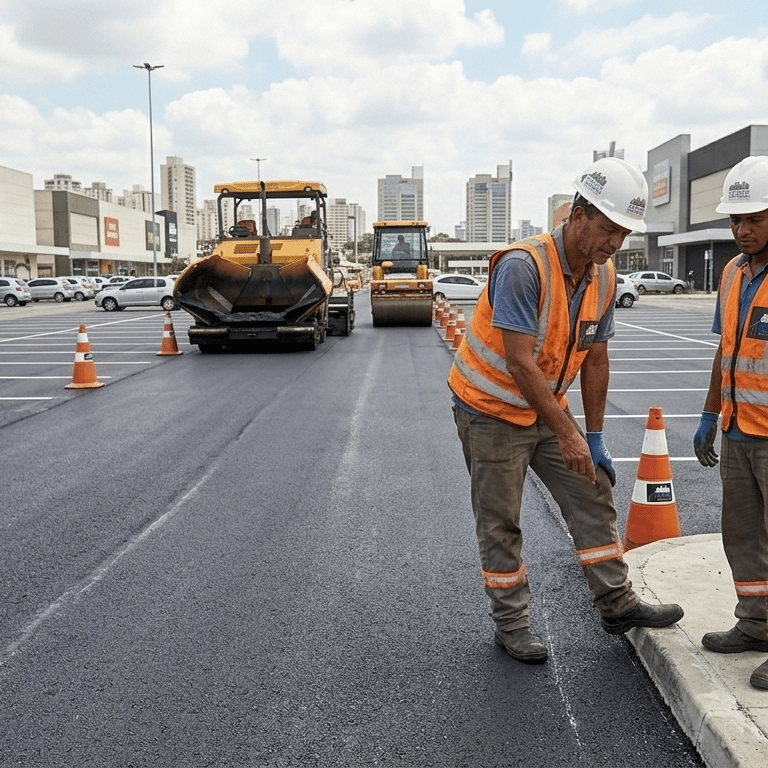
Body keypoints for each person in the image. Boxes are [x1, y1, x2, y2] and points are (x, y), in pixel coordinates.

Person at [448, 156, 684, 664]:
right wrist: (570, 435)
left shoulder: (601, 275)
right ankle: (511, 625)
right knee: (501, 522)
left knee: (593, 489)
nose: (615, 244)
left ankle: (616, 603)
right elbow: (518, 361)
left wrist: (593, 437)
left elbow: (596, 357)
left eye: (624, 235)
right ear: (579, 214)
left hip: (543, 409)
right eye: (608, 230)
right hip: (490, 411)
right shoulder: (522, 266)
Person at [693, 155, 768, 690]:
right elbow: (727, 349)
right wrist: (707, 412)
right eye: (736, 221)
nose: (742, 230)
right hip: (738, 429)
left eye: (754, 219)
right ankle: (756, 624)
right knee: (742, 535)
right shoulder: (733, 272)